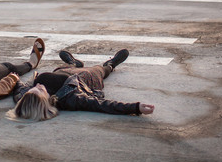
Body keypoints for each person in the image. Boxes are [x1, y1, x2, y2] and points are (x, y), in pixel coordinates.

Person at [9, 48, 154, 121]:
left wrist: (13, 78)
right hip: (86, 78)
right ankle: (110, 64)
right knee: (99, 70)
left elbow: (18, 87)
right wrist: (136, 107)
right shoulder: (71, 99)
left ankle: (74, 63)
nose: (37, 86)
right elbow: (101, 105)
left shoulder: (24, 96)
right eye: (39, 91)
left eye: (32, 89)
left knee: (60, 69)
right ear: (45, 103)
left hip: (63, 71)